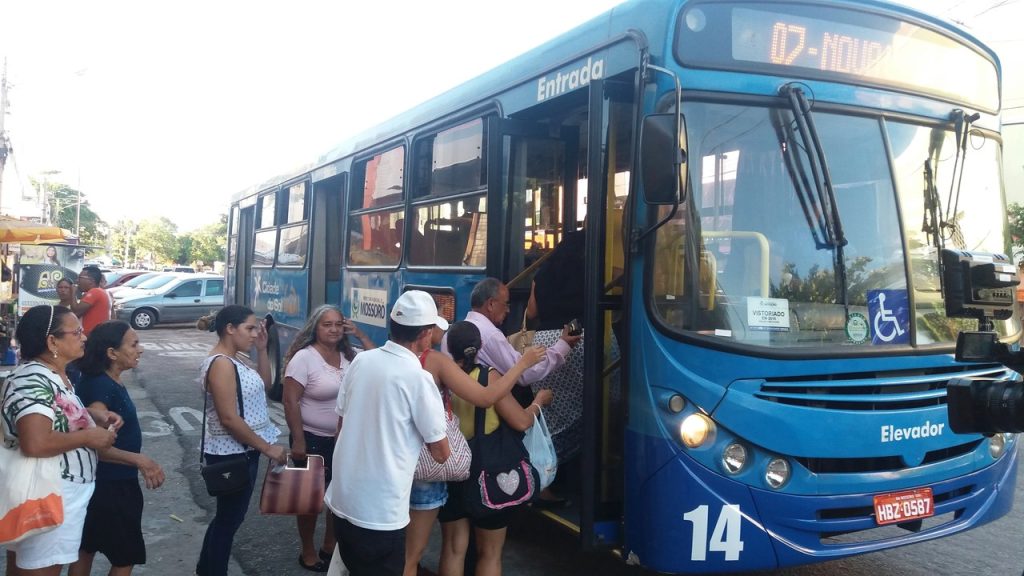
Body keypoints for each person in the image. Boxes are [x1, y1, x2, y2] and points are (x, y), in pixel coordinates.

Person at [404, 326, 546, 576]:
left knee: (452, 548)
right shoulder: (487, 377)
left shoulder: (440, 374)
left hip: (452, 469)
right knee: (490, 553)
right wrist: (538, 402)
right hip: (487, 471)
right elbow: (521, 421)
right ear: (479, 348)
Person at [325, 290, 450, 576]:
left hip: (344, 499)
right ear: (425, 334)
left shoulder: (362, 361)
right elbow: (441, 453)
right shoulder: (419, 378)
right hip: (380, 511)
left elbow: (340, 426)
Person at [1, 305, 119, 575]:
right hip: (49, 492)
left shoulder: (51, 375)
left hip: (56, 491)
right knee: (41, 569)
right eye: (76, 331)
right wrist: (88, 435)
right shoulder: (33, 378)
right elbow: (36, 442)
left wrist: (89, 414)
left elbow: (49, 415)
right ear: (52, 341)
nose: (84, 337)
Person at [282, 304, 375, 572]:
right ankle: (308, 550)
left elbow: (377, 360)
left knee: (339, 496)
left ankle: (329, 545)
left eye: (338, 324)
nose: (333, 329)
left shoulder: (349, 354)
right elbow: (290, 401)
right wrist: (298, 441)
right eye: (327, 324)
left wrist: (359, 334)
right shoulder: (304, 358)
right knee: (309, 501)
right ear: (315, 328)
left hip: (343, 440)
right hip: (310, 439)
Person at [195, 305, 287, 576]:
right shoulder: (221, 363)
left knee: (227, 518)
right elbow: (229, 418)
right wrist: (268, 448)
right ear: (230, 329)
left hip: (243, 450)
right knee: (229, 520)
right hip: (232, 452)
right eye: (249, 328)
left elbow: (266, 387)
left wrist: (262, 348)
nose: (254, 333)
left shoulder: (235, 358)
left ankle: (206, 569)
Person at [69, 320, 165, 576]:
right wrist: (141, 460)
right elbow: (96, 442)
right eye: (133, 344)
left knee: (85, 549)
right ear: (112, 353)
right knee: (124, 556)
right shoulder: (100, 386)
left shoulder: (100, 381)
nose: (140, 349)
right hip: (112, 486)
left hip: (99, 483)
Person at [69, 266, 111, 336]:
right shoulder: (104, 292)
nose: (77, 281)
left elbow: (75, 311)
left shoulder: (94, 292)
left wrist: (73, 293)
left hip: (92, 336)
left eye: (80, 278)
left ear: (91, 281)